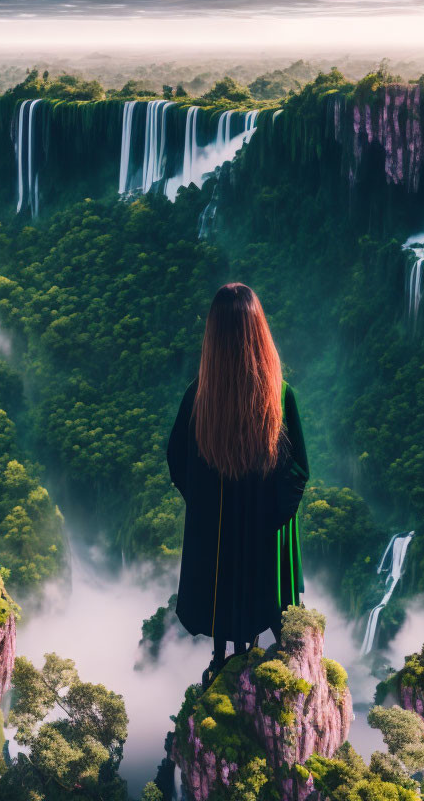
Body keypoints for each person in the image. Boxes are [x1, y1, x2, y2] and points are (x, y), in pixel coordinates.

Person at [167, 283, 309, 686]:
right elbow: (298, 470)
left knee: (220, 591)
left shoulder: (197, 398)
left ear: (213, 335)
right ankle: (251, 655)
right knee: (258, 590)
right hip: (262, 534)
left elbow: (176, 460)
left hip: (215, 535)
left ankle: (219, 658)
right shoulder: (280, 397)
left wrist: (205, 504)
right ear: (258, 331)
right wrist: (272, 519)